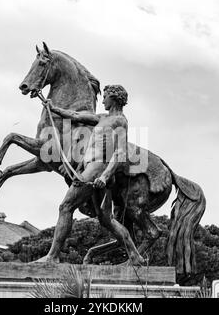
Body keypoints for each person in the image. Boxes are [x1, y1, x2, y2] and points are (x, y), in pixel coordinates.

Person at [38, 85, 144, 265]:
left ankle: (53, 256)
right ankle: (135, 255)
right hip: (92, 169)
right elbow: (76, 116)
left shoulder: (120, 121)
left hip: (97, 170)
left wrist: (105, 176)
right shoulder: (103, 118)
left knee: (66, 207)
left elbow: (119, 152)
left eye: (106, 97)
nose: (102, 100)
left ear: (114, 99)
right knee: (106, 219)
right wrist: (52, 107)